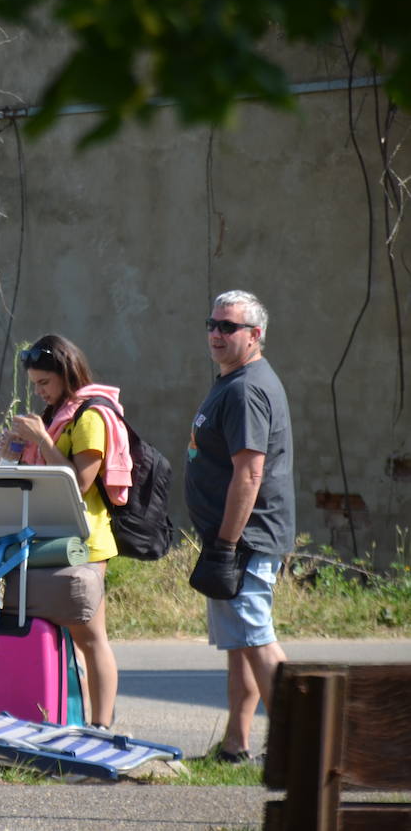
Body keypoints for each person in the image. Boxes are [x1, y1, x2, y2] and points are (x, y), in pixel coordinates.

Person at [185, 290, 292, 762]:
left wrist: (226, 544)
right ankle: (236, 744)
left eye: (228, 327)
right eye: (212, 324)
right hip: (234, 538)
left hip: (243, 539)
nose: (216, 333)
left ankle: (305, 745)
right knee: (240, 644)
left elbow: (250, 472)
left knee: (257, 639)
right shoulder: (235, 379)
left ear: (255, 335)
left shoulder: (246, 388)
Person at [4, 334, 125, 731]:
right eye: (35, 384)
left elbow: (80, 482)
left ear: (66, 374)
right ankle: (71, 718)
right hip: (51, 540)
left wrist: (40, 438)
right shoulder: (59, 415)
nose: (39, 392)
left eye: (45, 383)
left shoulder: (90, 416)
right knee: (66, 640)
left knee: (90, 636)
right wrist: (16, 450)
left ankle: (102, 725)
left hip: (86, 543)